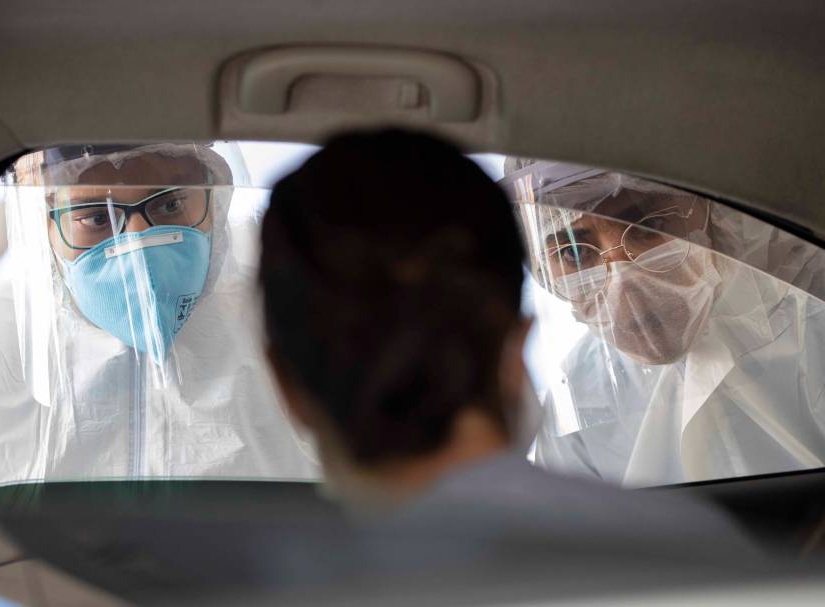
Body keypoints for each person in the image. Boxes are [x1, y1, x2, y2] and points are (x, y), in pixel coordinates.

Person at [256, 129, 758, 560]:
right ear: (516, 354)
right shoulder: (698, 551)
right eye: (575, 249)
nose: (621, 275)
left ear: (284, 384)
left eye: (649, 226)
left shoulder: (247, 580)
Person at [0, 142, 318, 488]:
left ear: (215, 203)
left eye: (170, 205)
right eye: (97, 217)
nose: (138, 242)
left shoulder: (286, 325)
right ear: (45, 227)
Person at [504, 159, 825, 487]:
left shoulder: (812, 327)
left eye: (651, 225)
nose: (624, 286)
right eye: (574, 254)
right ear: (543, 268)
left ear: (714, 214)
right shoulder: (578, 398)